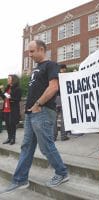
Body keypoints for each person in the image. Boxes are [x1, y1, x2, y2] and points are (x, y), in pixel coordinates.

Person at [3, 40, 69, 193]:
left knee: (46, 146)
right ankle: (20, 180)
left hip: (43, 111)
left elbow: (53, 87)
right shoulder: (36, 69)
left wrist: (38, 104)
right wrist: (30, 108)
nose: (30, 55)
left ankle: (62, 172)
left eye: (32, 51)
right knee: (26, 146)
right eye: (29, 52)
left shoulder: (51, 65)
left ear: (41, 49)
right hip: (31, 113)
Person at [0, 75, 22, 144]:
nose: (7, 80)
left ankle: (13, 138)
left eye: (9, 78)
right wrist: (0, 91)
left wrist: (9, 97)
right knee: (7, 125)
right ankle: (9, 138)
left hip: (13, 109)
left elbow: (17, 99)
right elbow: (4, 97)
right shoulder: (7, 88)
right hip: (6, 109)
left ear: (13, 80)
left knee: (12, 124)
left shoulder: (17, 89)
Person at [54, 64, 70, 141]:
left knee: (54, 118)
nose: (65, 70)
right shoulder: (65, 77)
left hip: (55, 98)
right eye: (64, 69)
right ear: (63, 69)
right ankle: (63, 136)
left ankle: (53, 136)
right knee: (64, 118)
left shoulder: (54, 77)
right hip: (63, 98)